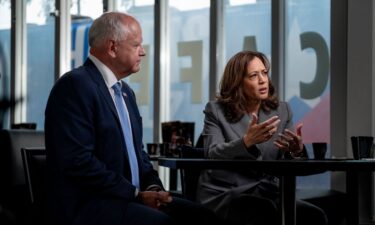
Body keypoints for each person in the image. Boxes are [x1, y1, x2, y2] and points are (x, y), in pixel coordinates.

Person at [45, 12, 223, 225]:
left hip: (129, 199)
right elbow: (78, 162)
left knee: (204, 217)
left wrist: (154, 188)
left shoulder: (125, 92)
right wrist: (135, 194)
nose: (143, 52)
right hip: (93, 205)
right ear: (113, 48)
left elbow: (138, 154)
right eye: (136, 45)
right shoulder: (74, 86)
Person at [196, 50, 328, 225]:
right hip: (225, 193)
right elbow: (213, 153)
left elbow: (287, 159)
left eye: (264, 73)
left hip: (268, 191)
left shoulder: (282, 110)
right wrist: (246, 142)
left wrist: (295, 151)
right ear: (238, 82)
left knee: (314, 216)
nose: (263, 80)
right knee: (264, 211)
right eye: (253, 75)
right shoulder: (216, 110)